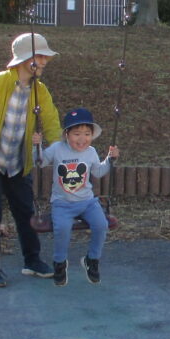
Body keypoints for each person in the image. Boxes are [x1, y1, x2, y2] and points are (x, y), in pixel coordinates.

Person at [0, 32, 62, 288]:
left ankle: (32, 261)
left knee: (26, 214)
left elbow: (51, 123)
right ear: (25, 59)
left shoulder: (40, 91)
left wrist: (63, 152)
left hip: (17, 164)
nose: (45, 61)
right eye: (40, 56)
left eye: (46, 57)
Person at [40, 107, 120, 286]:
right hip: (62, 203)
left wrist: (110, 159)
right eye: (77, 134)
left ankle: (92, 259)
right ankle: (60, 263)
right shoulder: (57, 149)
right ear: (66, 134)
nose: (82, 139)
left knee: (101, 225)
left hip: (87, 202)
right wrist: (35, 146)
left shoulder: (91, 152)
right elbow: (40, 161)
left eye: (87, 134)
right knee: (62, 229)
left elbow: (98, 172)